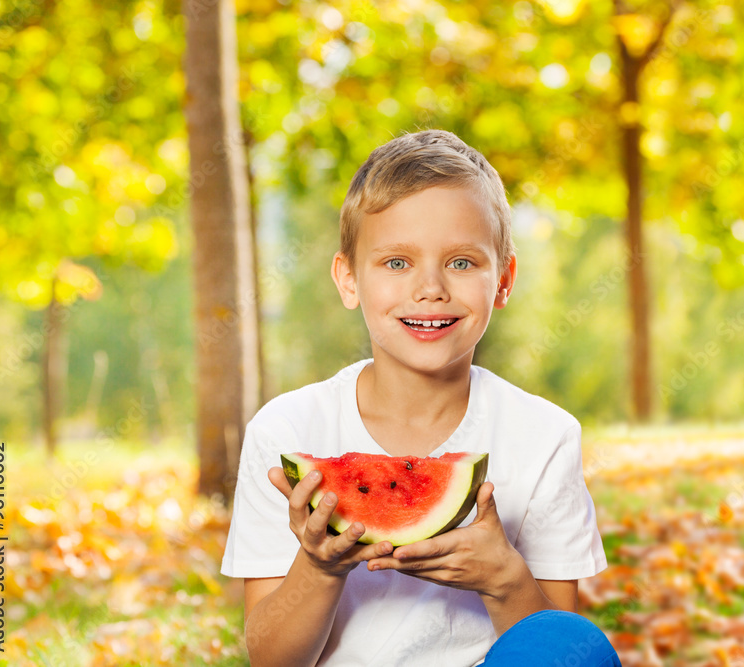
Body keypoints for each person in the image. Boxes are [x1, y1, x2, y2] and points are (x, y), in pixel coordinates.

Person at [221, 129, 618, 666]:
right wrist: (317, 569)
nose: (430, 287)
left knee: (585, 650)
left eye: (461, 263)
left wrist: (504, 577)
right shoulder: (287, 430)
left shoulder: (546, 435)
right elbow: (272, 659)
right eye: (396, 263)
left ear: (503, 280)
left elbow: (555, 647)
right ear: (348, 279)